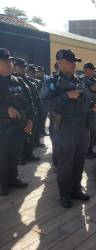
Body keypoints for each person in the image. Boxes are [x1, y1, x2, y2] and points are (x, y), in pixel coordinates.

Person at [44, 49, 96, 208]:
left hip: (82, 129)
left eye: (75, 62)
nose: (74, 65)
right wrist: (66, 96)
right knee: (65, 164)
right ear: (60, 63)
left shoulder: (78, 81)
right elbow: (44, 105)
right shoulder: (52, 82)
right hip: (64, 130)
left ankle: (76, 189)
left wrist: (93, 108)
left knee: (79, 162)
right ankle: (65, 194)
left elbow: (84, 102)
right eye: (70, 62)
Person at [0, 48, 33, 196]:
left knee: (15, 155)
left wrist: (31, 120)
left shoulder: (18, 81)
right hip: (3, 128)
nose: (10, 63)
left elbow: (30, 102)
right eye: (6, 60)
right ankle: (2, 184)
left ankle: (12, 179)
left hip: (18, 127)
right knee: (2, 157)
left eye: (10, 60)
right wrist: (6, 109)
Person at [13, 58, 42, 165]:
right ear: (15, 67)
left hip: (31, 111)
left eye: (24, 67)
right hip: (19, 114)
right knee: (20, 137)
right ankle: (21, 157)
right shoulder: (12, 80)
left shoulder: (27, 80)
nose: (23, 69)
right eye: (21, 67)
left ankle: (29, 154)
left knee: (30, 134)